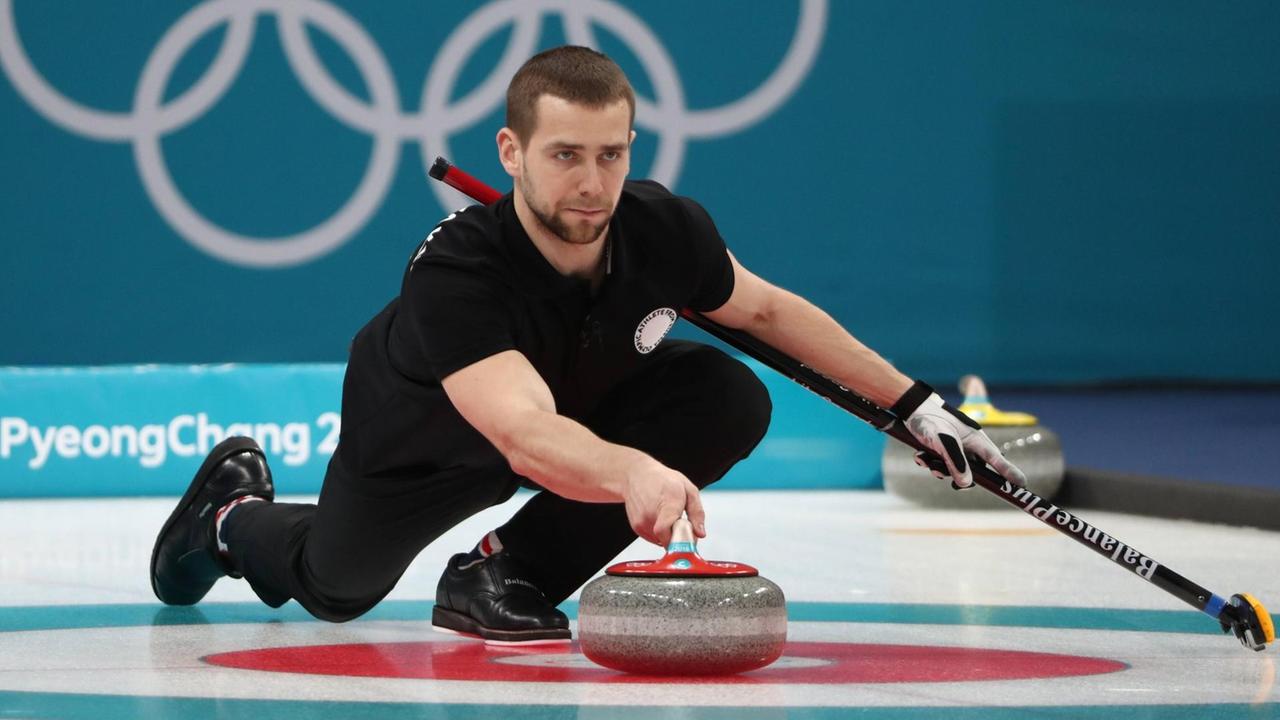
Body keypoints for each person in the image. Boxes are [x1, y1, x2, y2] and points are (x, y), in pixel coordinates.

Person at [151, 46, 1027, 644]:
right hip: (435, 440)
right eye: (565, 154)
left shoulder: (661, 226)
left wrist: (913, 404)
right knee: (337, 589)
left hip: (580, 402)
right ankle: (229, 517)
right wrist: (631, 474)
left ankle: (502, 575)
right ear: (512, 151)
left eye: (610, 155)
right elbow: (524, 435)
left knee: (728, 395)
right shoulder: (458, 272)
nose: (592, 182)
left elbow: (763, 314)